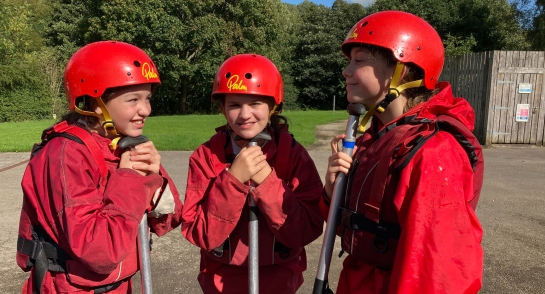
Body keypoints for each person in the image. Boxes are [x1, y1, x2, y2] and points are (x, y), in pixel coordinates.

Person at [320, 11, 484, 293]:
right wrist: (332, 190)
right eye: (349, 61)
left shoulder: (433, 152)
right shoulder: (375, 138)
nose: (346, 71)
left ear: (401, 71)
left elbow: (435, 271)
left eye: (359, 60)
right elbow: (354, 229)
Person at [16, 41, 183, 293]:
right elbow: (100, 253)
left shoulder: (120, 144)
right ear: (95, 104)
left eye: (147, 98)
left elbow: (168, 221)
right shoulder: (65, 154)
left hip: (119, 286)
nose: (145, 110)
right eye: (132, 99)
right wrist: (129, 180)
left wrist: (155, 180)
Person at [181, 54, 324, 294]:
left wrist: (268, 182)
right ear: (222, 108)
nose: (245, 114)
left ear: (273, 106)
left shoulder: (293, 155)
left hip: (278, 279)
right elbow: (200, 234)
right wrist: (233, 181)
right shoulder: (206, 157)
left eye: (255, 103)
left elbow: (306, 230)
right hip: (222, 280)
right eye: (234, 105)